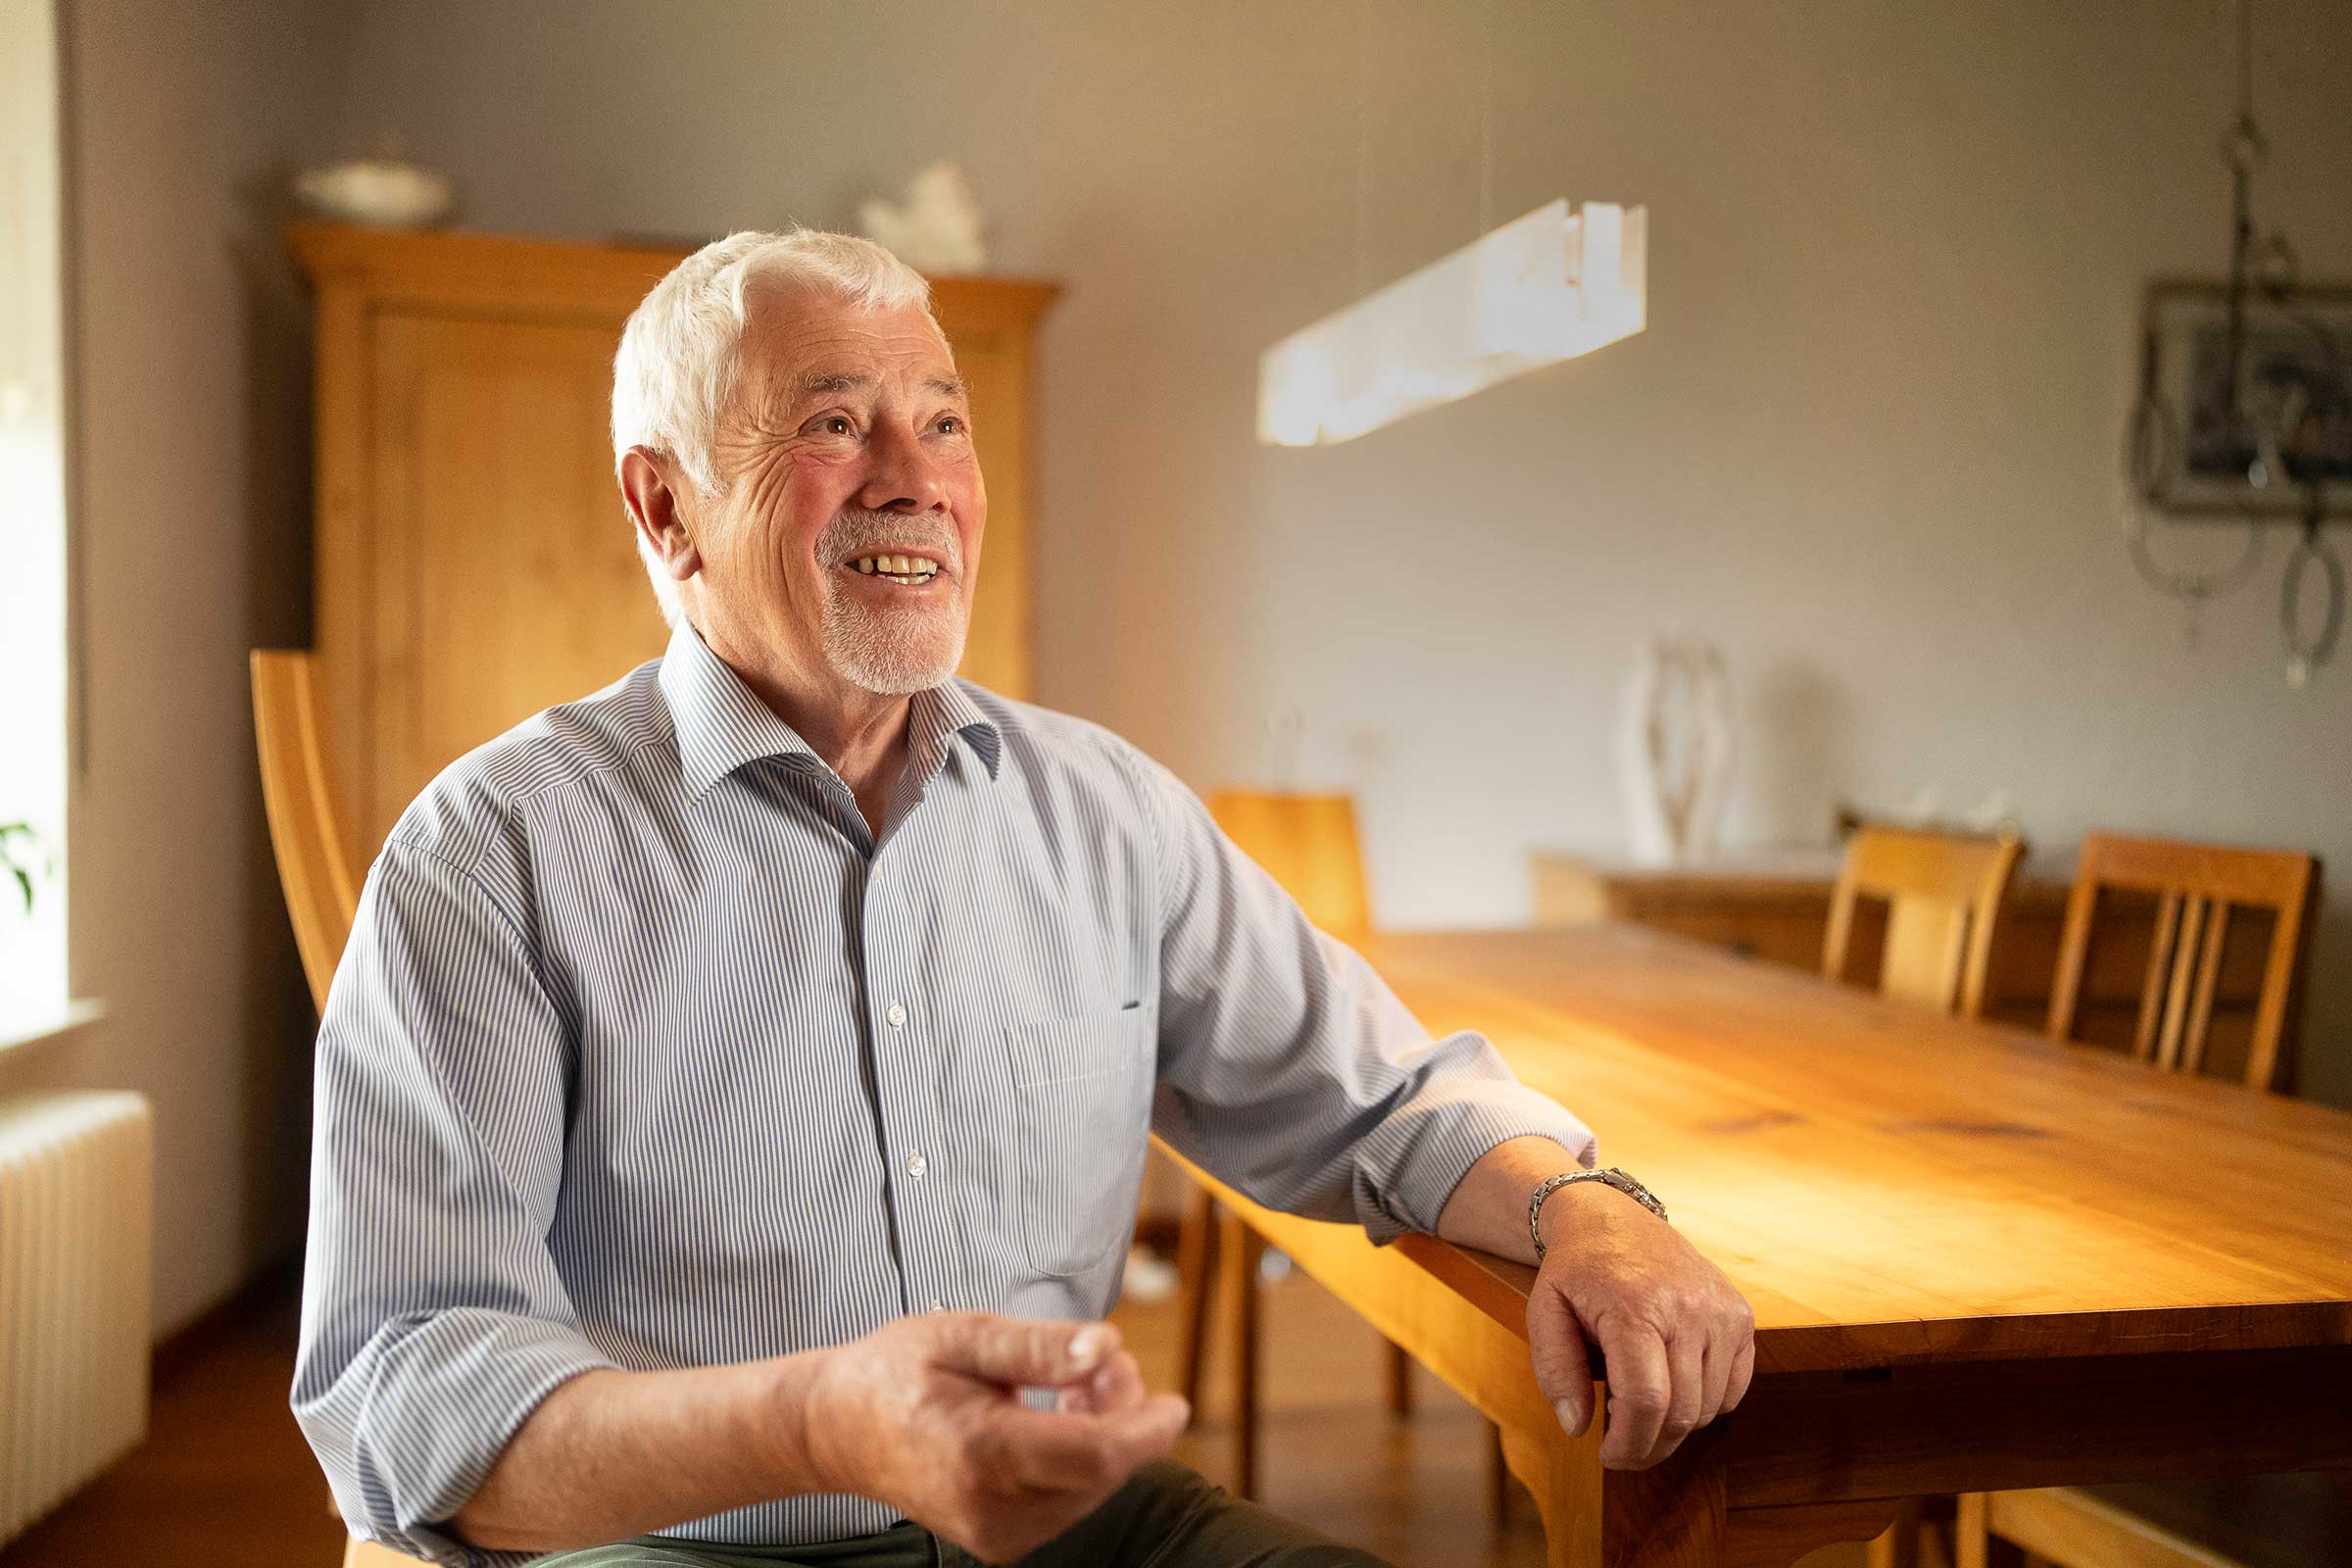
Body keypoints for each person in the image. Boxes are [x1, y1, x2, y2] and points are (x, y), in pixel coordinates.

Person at [291, 228, 1753, 1568]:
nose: (912, 475)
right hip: (669, 1545)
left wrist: (1586, 1208)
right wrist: (820, 1424)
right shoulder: (490, 853)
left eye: (941, 421)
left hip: (1073, 1533)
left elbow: (1381, 1099)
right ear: (663, 504)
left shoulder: (1104, 812)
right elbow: (410, 1400)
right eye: (830, 423)